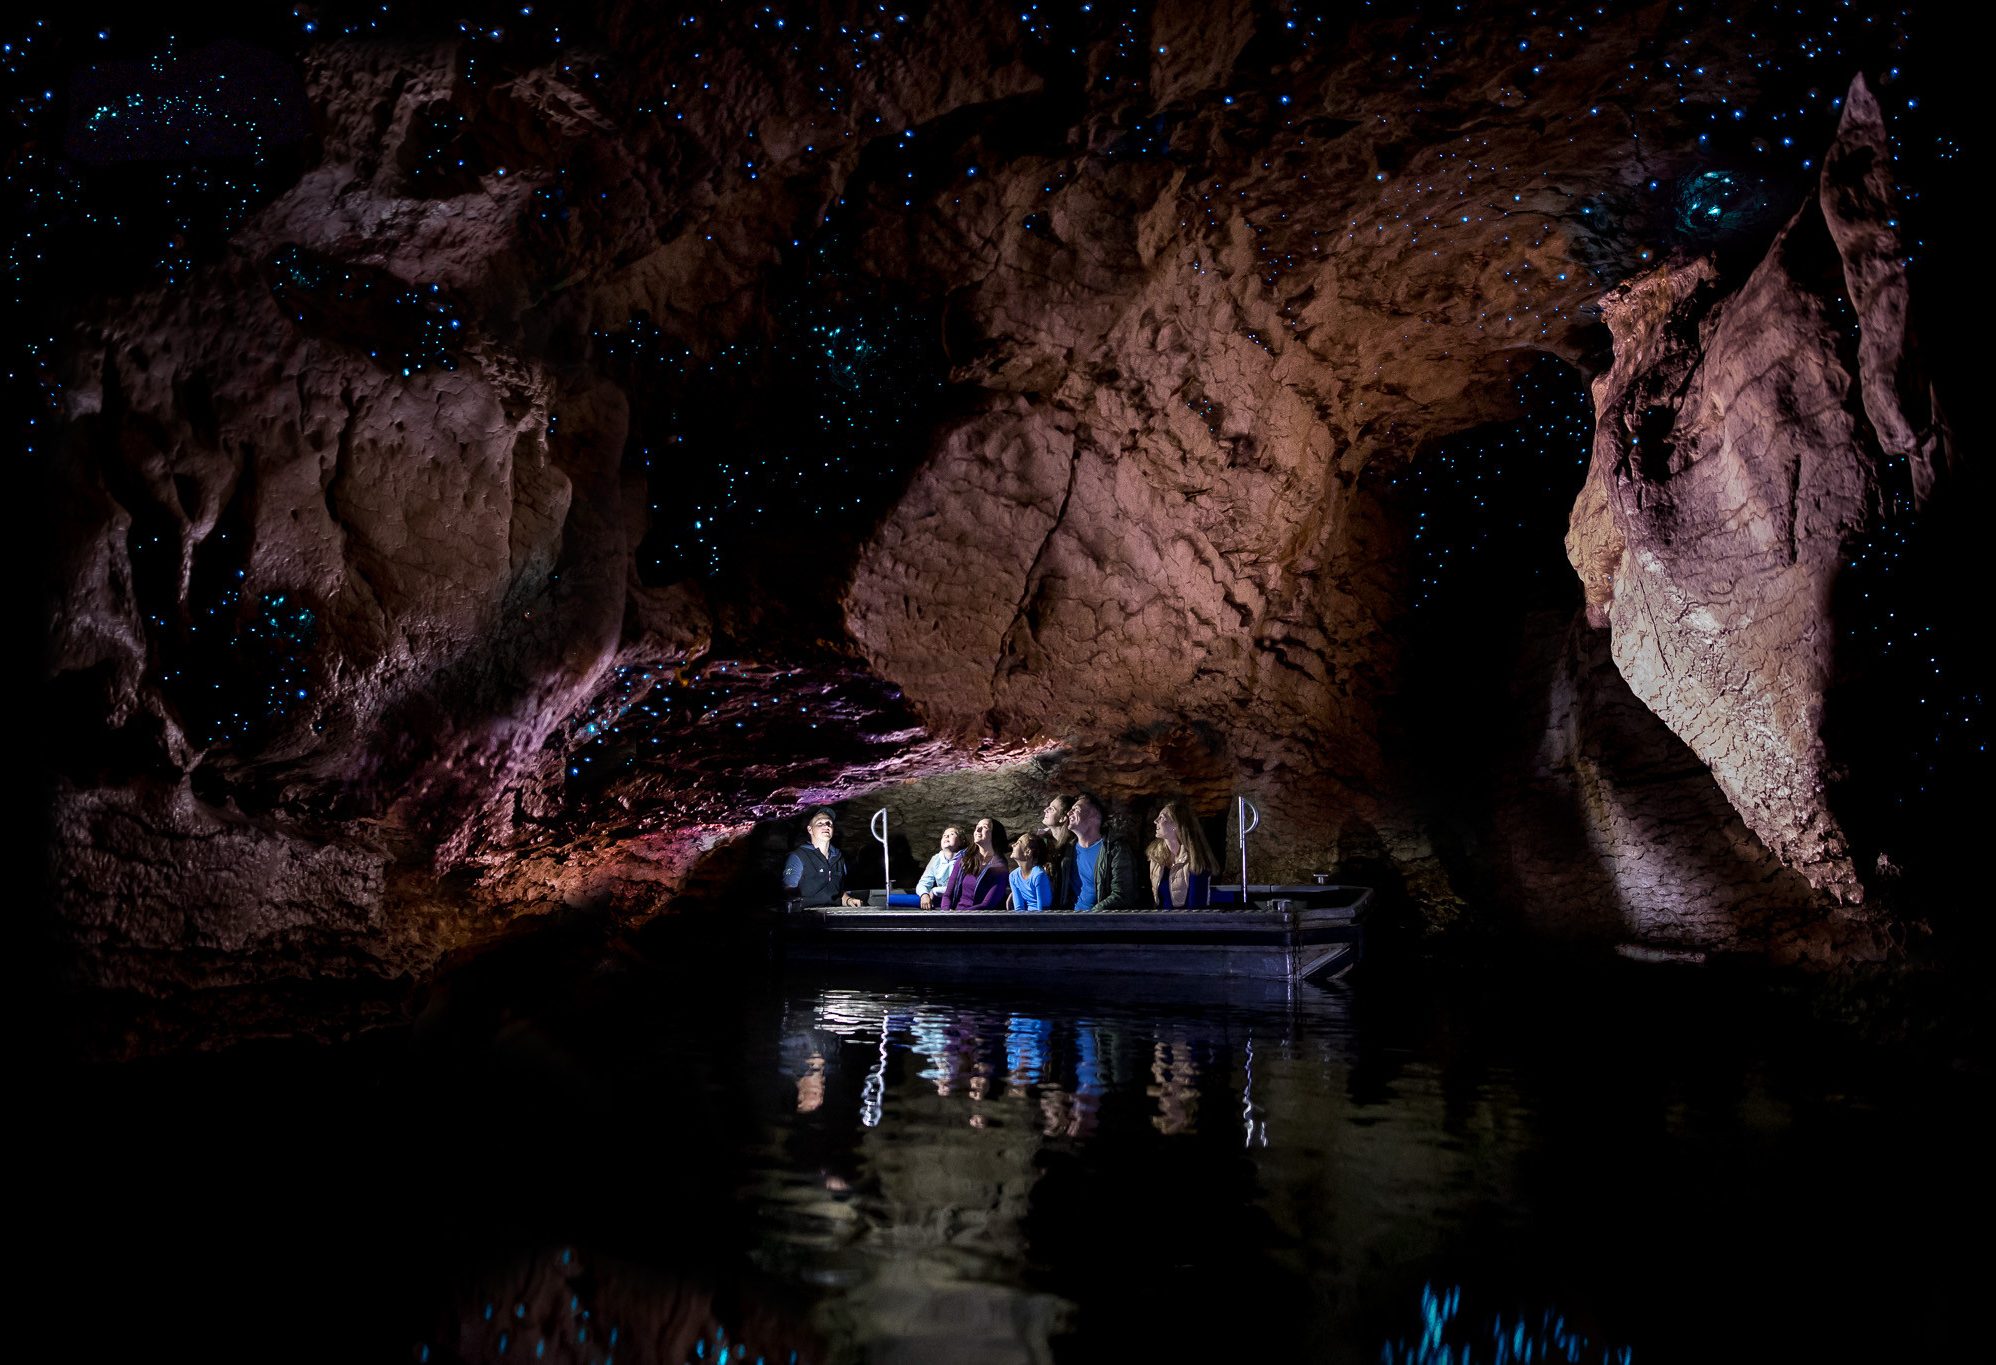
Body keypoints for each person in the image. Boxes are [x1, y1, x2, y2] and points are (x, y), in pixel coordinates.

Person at [1056, 792, 1139, 910]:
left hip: (1099, 922)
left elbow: (1122, 894)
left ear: (1094, 816)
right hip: (1071, 921)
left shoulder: (1115, 849)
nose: (1069, 812)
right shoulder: (1068, 850)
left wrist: (1092, 916)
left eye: (1075, 809)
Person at [782, 807, 864, 907]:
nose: (826, 826)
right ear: (810, 829)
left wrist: (848, 900)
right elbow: (787, 892)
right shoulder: (798, 856)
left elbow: (839, 892)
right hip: (808, 916)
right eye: (820, 823)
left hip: (834, 914)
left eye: (829, 823)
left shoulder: (839, 858)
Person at [1147, 796, 1217, 908]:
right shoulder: (1156, 857)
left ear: (1175, 824)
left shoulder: (1195, 860)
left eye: (1162, 817)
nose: (1155, 821)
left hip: (1186, 923)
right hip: (1161, 922)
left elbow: (1196, 905)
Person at [943, 816, 1011, 909]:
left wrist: (959, 917)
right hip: (955, 916)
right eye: (977, 826)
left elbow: (987, 904)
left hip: (978, 919)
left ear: (995, 835)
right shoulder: (964, 859)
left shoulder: (999, 867)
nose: (978, 830)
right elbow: (947, 895)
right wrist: (946, 914)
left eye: (984, 827)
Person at [916, 825, 967, 909]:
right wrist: (924, 894)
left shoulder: (967, 859)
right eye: (944, 835)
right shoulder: (936, 859)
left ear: (961, 841)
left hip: (962, 906)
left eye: (952, 834)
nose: (946, 836)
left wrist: (935, 891)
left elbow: (961, 888)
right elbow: (923, 883)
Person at [1007, 832, 1055, 912]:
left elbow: (1043, 910)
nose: (1013, 845)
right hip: (1027, 919)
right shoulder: (1013, 876)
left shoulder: (1039, 876)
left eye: (1018, 843)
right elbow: (1018, 908)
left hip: (1041, 920)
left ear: (1028, 852)